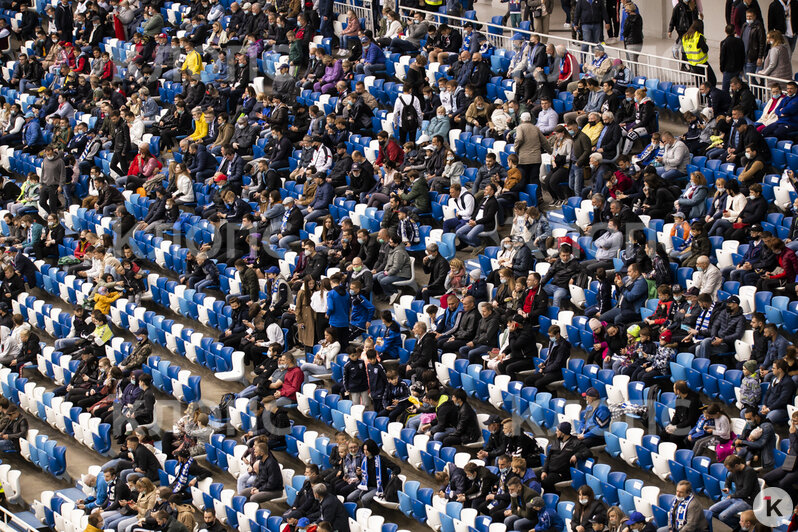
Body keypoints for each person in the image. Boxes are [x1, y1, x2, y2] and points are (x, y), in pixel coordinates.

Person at [540, 422, 592, 494]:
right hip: (550, 470)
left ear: (563, 433)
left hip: (561, 473)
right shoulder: (556, 441)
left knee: (544, 482)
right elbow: (548, 458)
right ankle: (553, 493)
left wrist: (576, 455)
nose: (556, 432)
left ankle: (553, 496)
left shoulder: (575, 442)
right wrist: (544, 471)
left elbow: (588, 452)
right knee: (534, 478)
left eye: (557, 431)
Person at [709, 455, 759, 529]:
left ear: (736, 466)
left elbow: (746, 492)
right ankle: (739, 524)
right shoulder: (735, 471)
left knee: (722, 516)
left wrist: (732, 496)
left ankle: (739, 526)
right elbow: (728, 480)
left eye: (730, 470)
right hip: (736, 498)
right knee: (711, 510)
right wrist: (727, 487)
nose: (730, 472)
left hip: (747, 501)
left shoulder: (749, 472)